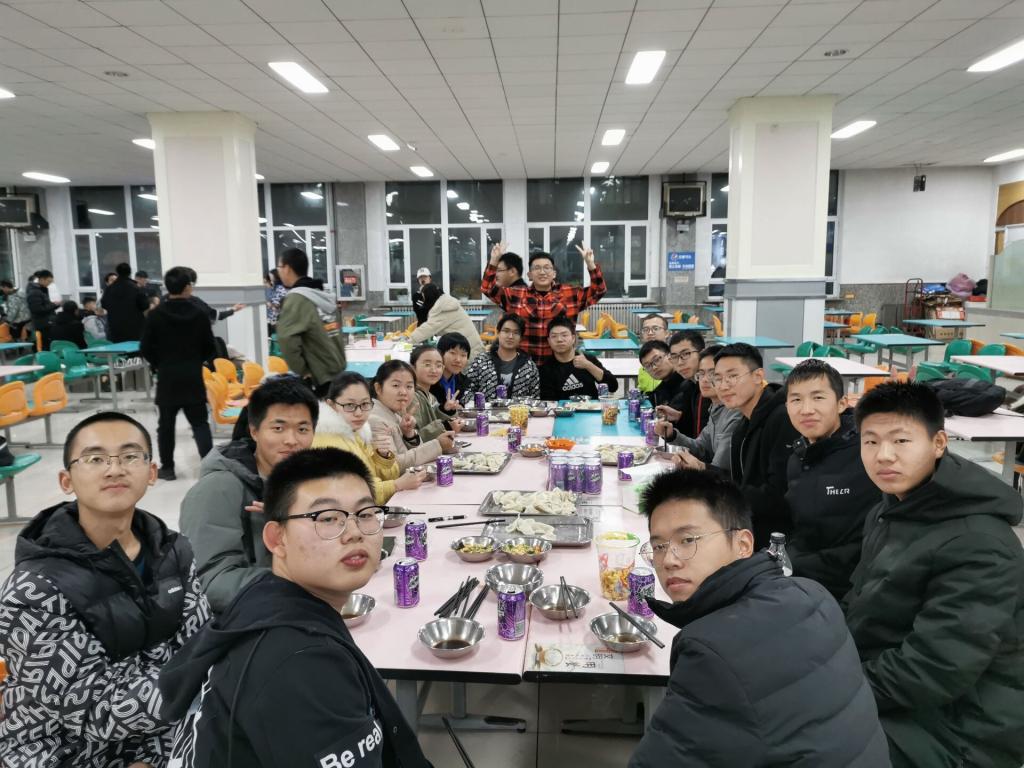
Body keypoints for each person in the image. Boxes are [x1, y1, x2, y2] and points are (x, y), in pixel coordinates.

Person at [159, 448, 432, 768]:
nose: (354, 532)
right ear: (277, 539)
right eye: (327, 518)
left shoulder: (263, 598)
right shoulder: (303, 664)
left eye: (365, 513)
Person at [628, 470, 890, 767]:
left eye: (688, 540)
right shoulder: (811, 593)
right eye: (659, 546)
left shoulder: (712, 653)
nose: (669, 560)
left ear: (743, 544)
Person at [0, 412, 210, 767]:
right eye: (95, 459)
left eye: (130, 456)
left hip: (162, 734)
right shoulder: (32, 589)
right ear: (66, 480)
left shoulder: (175, 551)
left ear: (152, 472)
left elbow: (198, 646)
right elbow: (93, 708)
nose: (114, 469)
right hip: (58, 749)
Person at [844, 382, 1024, 768]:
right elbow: (859, 601)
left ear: (939, 443)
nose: (883, 455)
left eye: (901, 440)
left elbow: (936, 669)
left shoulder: (979, 543)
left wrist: (835, 689)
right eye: (870, 441)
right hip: (900, 692)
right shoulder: (891, 509)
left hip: (962, 730)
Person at [180, 376, 318, 613]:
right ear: (254, 431)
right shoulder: (218, 489)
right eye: (278, 428)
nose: (291, 440)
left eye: (302, 429)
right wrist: (303, 582)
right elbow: (209, 582)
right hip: (248, 620)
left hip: (296, 606)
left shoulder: (307, 480)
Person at [783, 360, 879, 601]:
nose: (806, 409)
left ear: (841, 403)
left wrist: (796, 564)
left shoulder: (867, 454)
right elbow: (801, 528)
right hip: (804, 580)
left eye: (818, 398)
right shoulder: (797, 458)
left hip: (853, 589)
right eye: (796, 400)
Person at [713, 342, 799, 548]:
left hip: (777, 543)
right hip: (749, 527)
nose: (723, 386)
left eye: (733, 376)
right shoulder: (743, 423)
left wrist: (720, 494)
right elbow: (742, 481)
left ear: (758, 376)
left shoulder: (783, 419)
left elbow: (779, 496)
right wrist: (703, 472)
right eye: (718, 378)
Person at [140, 266, 217, 482]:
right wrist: (195, 360)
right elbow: (210, 347)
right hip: (192, 376)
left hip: (167, 377)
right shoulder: (199, 314)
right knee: (200, 423)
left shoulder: (155, 315)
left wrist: (160, 364)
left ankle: (168, 468)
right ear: (187, 288)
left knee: (166, 425)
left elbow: (145, 347)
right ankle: (209, 468)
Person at [482, 243, 606, 366]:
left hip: (560, 365)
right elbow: (487, 288)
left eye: (547, 268)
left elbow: (599, 290)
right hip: (524, 366)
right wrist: (494, 260)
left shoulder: (570, 294)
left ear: (554, 273)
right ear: (530, 275)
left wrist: (591, 264)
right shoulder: (515, 294)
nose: (542, 272)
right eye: (537, 268)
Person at [313, 371, 426, 503]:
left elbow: (376, 477)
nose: (359, 413)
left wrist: (382, 456)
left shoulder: (357, 431)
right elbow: (352, 493)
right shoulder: (328, 441)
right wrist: (397, 485)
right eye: (349, 405)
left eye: (365, 404)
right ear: (331, 405)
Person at [656, 344, 742, 474]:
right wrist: (672, 434)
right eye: (701, 374)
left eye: (712, 374)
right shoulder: (715, 408)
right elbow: (701, 448)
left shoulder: (735, 413)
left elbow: (720, 472)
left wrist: (700, 467)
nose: (705, 380)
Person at [275, 248, 346, 397]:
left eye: (279, 267)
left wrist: (303, 371)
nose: (278, 271)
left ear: (287, 268)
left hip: (319, 377)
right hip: (338, 370)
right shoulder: (322, 295)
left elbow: (286, 338)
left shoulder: (296, 299)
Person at [369, 359, 456, 471]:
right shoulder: (375, 420)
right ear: (378, 388)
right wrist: (437, 445)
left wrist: (409, 434)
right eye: (396, 385)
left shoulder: (395, 414)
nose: (403, 392)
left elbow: (415, 455)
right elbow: (392, 467)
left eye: (409, 386)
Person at [539, 315, 618, 400]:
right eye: (554, 336)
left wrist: (589, 366)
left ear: (573, 338)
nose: (559, 340)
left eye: (564, 335)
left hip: (591, 408)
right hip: (563, 409)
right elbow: (549, 401)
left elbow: (613, 386)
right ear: (549, 341)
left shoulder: (587, 359)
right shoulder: (546, 369)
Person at [463, 313, 540, 399]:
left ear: (521, 338)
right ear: (498, 332)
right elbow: (466, 391)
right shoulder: (481, 361)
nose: (510, 336)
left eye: (516, 332)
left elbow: (535, 399)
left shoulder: (529, 367)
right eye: (506, 331)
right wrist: (481, 405)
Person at [656, 330, 711, 439]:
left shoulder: (712, 387)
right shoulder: (689, 385)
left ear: (702, 353)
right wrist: (679, 417)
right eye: (674, 357)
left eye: (686, 354)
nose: (680, 362)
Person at [408, 282, 485, 359]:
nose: (424, 301)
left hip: (470, 352)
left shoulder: (442, 309)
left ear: (429, 297)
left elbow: (428, 328)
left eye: (424, 298)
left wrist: (409, 341)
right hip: (469, 348)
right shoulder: (445, 303)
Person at [410, 344, 462, 441]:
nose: (434, 370)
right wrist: (446, 426)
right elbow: (413, 437)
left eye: (438, 366)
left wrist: (445, 410)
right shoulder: (411, 397)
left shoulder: (431, 396)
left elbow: (432, 422)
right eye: (427, 365)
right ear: (412, 368)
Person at [101, 262, 149, 343]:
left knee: (118, 350)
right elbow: (145, 305)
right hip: (135, 328)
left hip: (115, 329)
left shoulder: (109, 289)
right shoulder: (135, 287)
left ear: (117, 272)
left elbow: (104, 304)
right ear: (130, 272)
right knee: (134, 350)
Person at [431, 332, 472, 416]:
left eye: (463, 355)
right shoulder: (430, 381)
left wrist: (460, 407)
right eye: (453, 353)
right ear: (440, 354)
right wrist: (445, 409)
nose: (458, 360)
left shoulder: (463, 381)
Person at [638, 339, 682, 408]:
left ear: (670, 356)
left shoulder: (687, 384)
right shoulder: (663, 386)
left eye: (657, 360)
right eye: (648, 366)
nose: (654, 367)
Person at [637, 313, 669, 393]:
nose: (650, 333)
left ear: (667, 333)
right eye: (646, 330)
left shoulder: (674, 360)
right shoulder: (644, 363)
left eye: (655, 328)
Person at [26, 269, 59, 348]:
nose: (49, 284)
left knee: (49, 344)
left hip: (47, 322)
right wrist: (54, 305)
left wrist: (53, 304)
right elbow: (37, 309)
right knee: (46, 345)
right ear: (42, 279)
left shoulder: (41, 290)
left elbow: (44, 304)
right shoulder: (34, 292)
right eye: (48, 281)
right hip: (43, 324)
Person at [264, 269, 287, 334]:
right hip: (272, 319)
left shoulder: (280, 288)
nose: (270, 279)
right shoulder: (274, 287)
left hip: (277, 320)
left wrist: (267, 303)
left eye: (271, 277)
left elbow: (276, 305)